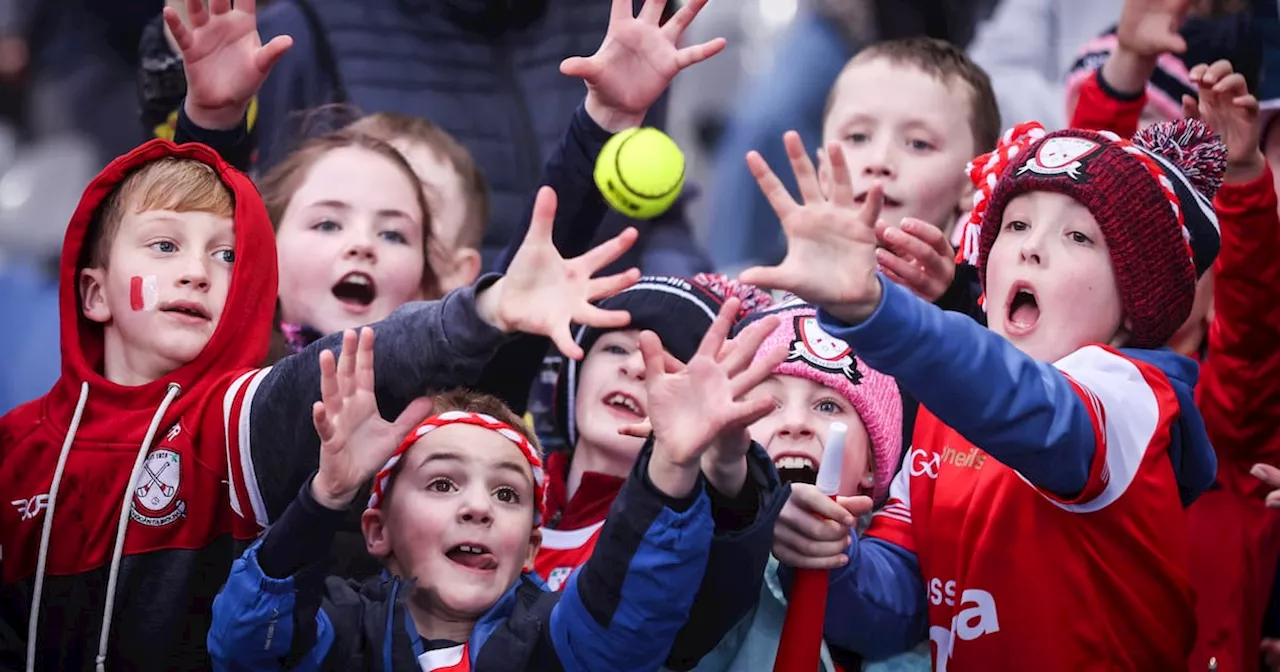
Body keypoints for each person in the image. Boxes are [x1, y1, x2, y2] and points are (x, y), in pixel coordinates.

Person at [0, 131, 642, 669]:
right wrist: (211, 118)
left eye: (226, 257)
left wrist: (490, 308)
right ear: (93, 295)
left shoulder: (232, 418)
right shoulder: (15, 446)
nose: (197, 271)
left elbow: (354, 361)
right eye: (166, 248)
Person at [744, 109, 1222, 665]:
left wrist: (877, 310)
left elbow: (1020, 402)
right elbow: (901, 603)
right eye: (1016, 226)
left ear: (1134, 306)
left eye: (1078, 237)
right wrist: (835, 560)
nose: (1030, 247)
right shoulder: (944, 413)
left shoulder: (1132, 400)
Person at [207, 300, 789, 670]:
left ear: (533, 548)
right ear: (377, 529)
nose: (479, 507)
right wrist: (325, 497)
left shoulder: (555, 643)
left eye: (509, 494)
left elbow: (633, 616)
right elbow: (246, 645)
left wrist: (672, 463)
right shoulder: (339, 630)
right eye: (441, 484)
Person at [140, 0, 718, 276]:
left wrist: (668, 298)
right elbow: (222, 245)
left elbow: (650, 216)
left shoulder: (622, 24)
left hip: (577, 360)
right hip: (385, 367)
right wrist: (209, 120)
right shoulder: (300, 29)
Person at [692, 297, 930, 672]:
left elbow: (891, 614)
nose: (796, 423)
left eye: (828, 406)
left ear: (872, 463)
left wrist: (832, 554)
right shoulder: (686, 522)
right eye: (769, 403)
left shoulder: (889, 559)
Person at [536, 274, 774, 587]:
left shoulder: (689, 536)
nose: (635, 367)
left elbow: (734, 518)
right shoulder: (502, 489)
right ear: (574, 378)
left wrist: (724, 465)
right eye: (616, 349)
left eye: (668, 361)